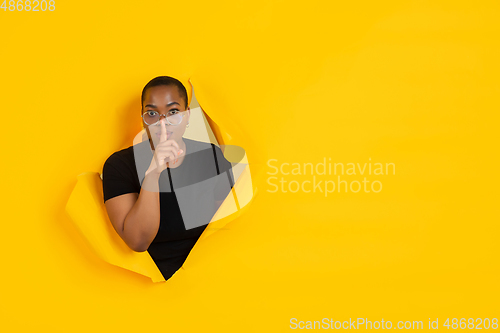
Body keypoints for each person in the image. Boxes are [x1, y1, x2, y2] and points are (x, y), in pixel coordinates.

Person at [101, 76, 234, 281]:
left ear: (187, 115)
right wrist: (153, 173)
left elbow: (227, 227)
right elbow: (138, 241)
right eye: (152, 113)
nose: (163, 122)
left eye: (173, 112)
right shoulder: (120, 165)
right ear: (143, 118)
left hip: (208, 276)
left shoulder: (210, 156)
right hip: (148, 284)